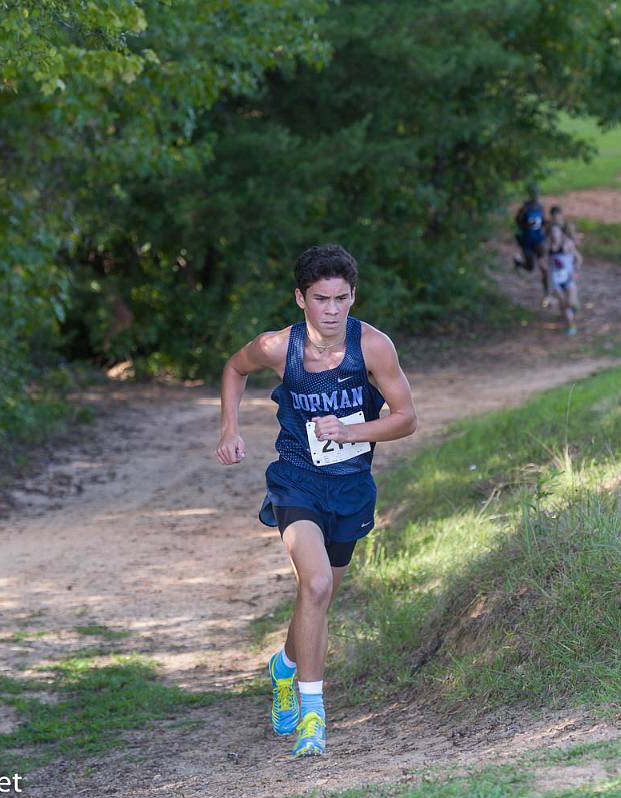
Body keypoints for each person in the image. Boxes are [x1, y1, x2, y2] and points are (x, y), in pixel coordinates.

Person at [215, 244, 418, 757]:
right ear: (300, 298)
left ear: (353, 297)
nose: (332, 310)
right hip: (296, 481)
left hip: (351, 488)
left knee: (319, 597)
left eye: (342, 299)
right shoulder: (275, 347)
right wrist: (230, 429)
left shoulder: (372, 347)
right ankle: (312, 716)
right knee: (318, 581)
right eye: (321, 299)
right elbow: (233, 369)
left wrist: (354, 433)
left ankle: (284, 666)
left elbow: (406, 418)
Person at [546, 208, 583, 335]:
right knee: (563, 304)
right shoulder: (548, 247)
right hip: (556, 280)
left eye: (555, 232)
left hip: (569, 277)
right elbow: (548, 265)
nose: (553, 235)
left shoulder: (568, 244)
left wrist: (575, 272)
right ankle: (571, 326)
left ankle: (574, 310)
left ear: (560, 233)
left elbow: (579, 259)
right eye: (551, 233)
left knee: (571, 303)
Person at [513, 187, 549, 275]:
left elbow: (542, 221)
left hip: (538, 238)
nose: (536, 196)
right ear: (530, 195)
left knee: (543, 262)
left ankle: (547, 286)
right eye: (534, 194)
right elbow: (517, 222)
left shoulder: (541, 207)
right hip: (527, 239)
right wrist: (526, 226)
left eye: (537, 193)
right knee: (530, 267)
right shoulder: (524, 208)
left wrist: (547, 224)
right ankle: (518, 263)